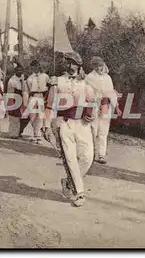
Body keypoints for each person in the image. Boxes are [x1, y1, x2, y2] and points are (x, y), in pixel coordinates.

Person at [42, 51, 97, 207]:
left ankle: (68, 182)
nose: (69, 65)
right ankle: (79, 193)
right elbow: (49, 105)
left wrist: (92, 115)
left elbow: (92, 101)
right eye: (67, 62)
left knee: (87, 157)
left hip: (83, 124)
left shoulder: (86, 83)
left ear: (79, 65)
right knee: (70, 158)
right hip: (64, 122)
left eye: (72, 63)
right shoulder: (57, 82)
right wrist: (46, 125)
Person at [85, 56, 122, 164]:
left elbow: (111, 93)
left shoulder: (107, 78)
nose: (100, 69)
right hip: (94, 105)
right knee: (93, 130)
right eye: (97, 66)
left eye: (101, 66)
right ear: (94, 67)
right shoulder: (90, 77)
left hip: (106, 106)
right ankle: (91, 154)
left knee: (103, 131)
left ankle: (101, 155)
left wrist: (117, 107)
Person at [25, 60, 50, 144]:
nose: (35, 68)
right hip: (32, 97)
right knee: (32, 116)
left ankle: (38, 135)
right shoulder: (30, 78)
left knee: (40, 116)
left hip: (42, 97)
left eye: (36, 66)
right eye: (33, 67)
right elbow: (27, 90)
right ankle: (35, 133)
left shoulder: (45, 76)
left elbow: (49, 87)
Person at [6, 62, 30, 139]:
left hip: (21, 99)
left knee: (23, 117)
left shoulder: (22, 79)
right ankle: (13, 133)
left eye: (21, 71)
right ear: (15, 71)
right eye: (18, 70)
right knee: (14, 117)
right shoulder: (12, 79)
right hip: (13, 98)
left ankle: (18, 132)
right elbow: (19, 89)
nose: (20, 72)